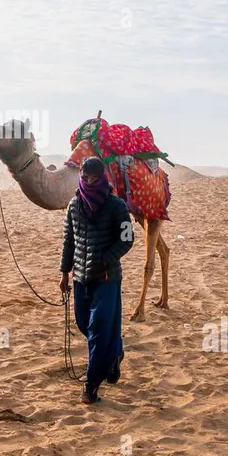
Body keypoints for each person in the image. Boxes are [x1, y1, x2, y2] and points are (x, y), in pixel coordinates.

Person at [59, 156, 134, 403]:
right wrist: (64, 273)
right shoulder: (73, 205)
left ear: (101, 177)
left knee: (99, 327)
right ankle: (115, 353)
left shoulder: (117, 206)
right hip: (81, 277)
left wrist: (106, 258)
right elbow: (69, 241)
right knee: (84, 324)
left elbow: (127, 239)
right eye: (85, 177)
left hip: (106, 277)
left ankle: (91, 384)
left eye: (93, 178)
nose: (89, 182)